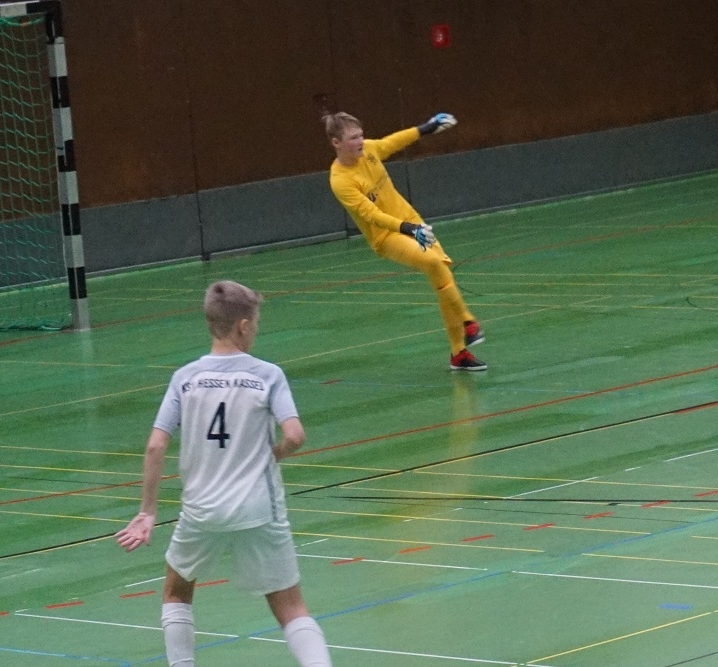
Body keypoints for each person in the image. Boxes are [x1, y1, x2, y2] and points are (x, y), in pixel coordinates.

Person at [115, 280, 332, 667]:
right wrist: (274, 455)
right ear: (243, 326)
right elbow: (295, 435)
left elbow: (155, 446)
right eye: (257, 323)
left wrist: (148, 511)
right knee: (290, 607)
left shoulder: (185, 378)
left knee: (177, 592)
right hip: (259, 509)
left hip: (202, 511)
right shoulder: (267, 375)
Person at [324, 111, 487, 371]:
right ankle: (468, 321)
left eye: (361, 135)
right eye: (353, 138)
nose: (361, 141)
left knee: (441, 273)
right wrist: (409, 230)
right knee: (433, 261)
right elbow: (371, 215)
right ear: (337, 143)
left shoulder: (369, 150)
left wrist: (427, 127)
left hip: (411, 220)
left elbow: (393, 142)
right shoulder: (340, 181)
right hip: (387, 236)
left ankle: (459, 353)